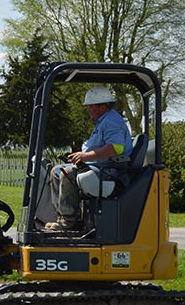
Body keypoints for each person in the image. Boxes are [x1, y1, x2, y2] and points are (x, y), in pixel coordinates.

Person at [45, 85, 133, 231]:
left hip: (109, 172)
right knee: (56, 171)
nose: (88, 109)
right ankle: (63, 216)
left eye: (91, 106)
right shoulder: (104, 121)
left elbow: (116, 147)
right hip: (100, 167)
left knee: (67, 174)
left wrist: (85, 156)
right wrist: (80, 156)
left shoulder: (111, 121)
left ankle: (69, 220)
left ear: (103, 106)